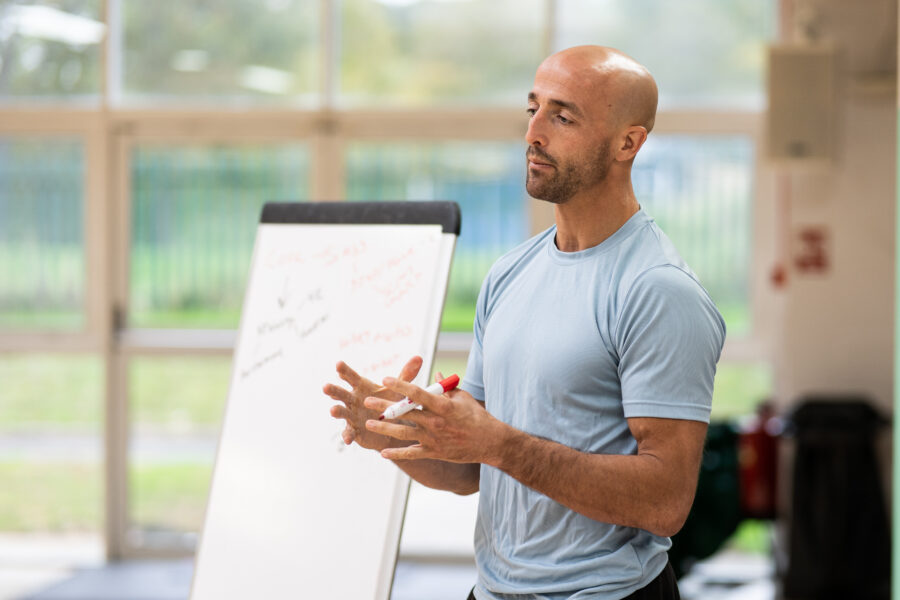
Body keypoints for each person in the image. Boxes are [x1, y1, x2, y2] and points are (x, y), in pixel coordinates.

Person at [323, 45, 725, 600]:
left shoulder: (657, 289)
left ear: (627, 143)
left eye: (563, 116)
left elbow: (665, 503)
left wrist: (500, 444)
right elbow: (473, 469)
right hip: (492, 591)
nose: (534, 132)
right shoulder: (510, 274)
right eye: (532, 108)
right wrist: (399, 435)